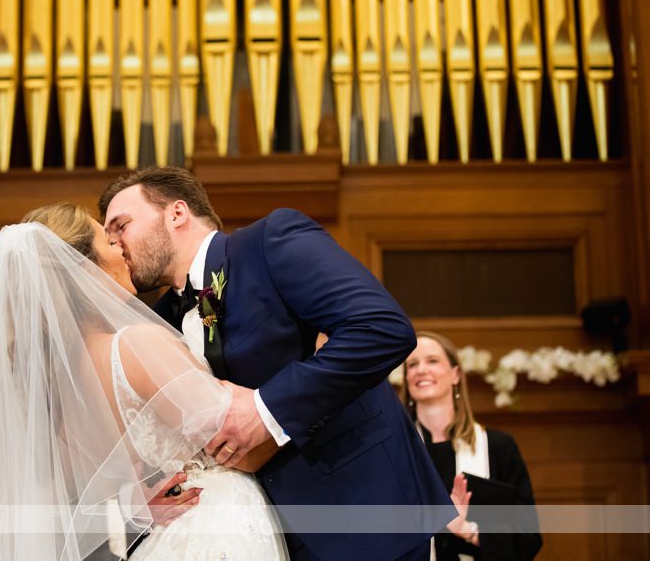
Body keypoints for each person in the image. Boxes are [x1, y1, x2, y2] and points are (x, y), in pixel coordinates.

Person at [99, 167, 454, 561]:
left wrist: (266, 408)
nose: (115, 245)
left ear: (177, 213)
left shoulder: (269, 243)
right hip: (251, 532)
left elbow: (381, 328)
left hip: (359, 508)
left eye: (121, 226)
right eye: (108, 237)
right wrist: (145, 495)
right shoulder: (156, 322)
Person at [0, 202, 289, 560]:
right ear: (85, 271)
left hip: (163, 537)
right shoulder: (136, 345)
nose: (122, 249)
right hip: (215, 526)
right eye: (109, 243)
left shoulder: (55, 390)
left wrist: (132, 504)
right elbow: (244, 449)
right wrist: (297, 391)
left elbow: (77, 501)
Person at [402, 331, 543, 560]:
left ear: (455, 374)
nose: (421, 370)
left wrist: (466, 531)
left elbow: (527, 538)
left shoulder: (498, 448)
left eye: (433, 361)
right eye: (412, 364)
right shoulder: (397, 452)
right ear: (407, 380)